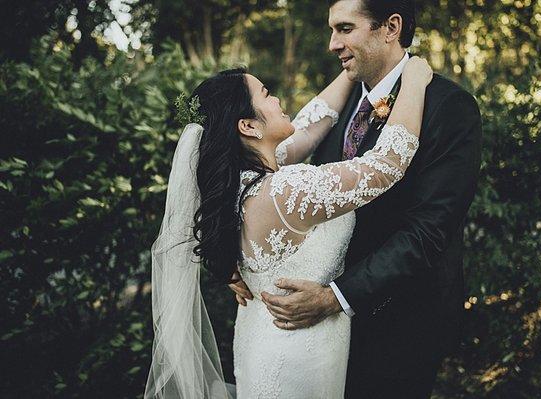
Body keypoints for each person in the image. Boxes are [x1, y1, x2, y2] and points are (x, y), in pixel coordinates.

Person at [231, 0, 483, 398]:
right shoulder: (339, 105)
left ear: (391, 27)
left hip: (399, 324)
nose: (332, 43)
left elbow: (430, 230)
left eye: (345, 29)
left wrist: (337, 297)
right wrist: (237, 261)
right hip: (313, 332)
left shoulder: (449, 107)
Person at [144, 56, 433, 398]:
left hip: (260, 337)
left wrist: (352, 68)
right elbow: (384, 165)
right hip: (300, 352)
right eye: (266, 94)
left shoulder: (233, 184)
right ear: (248, 126)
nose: (277, 99)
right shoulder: (285, 190)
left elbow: (311, 127)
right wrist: (415, 79)